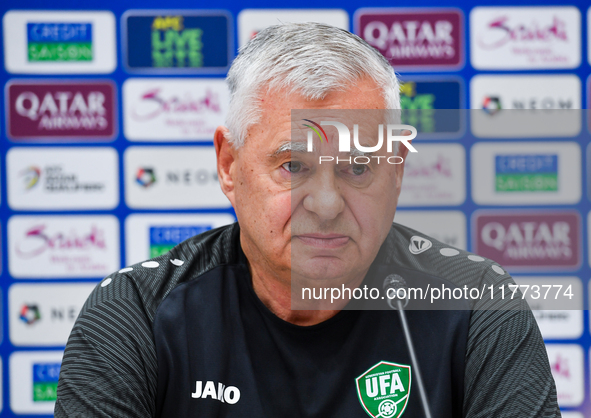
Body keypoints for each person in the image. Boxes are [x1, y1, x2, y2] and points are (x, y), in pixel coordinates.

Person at [55, 23, 559, 417]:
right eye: (293, 166)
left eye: (358, 167)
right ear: (229, 166)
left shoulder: (478, 309)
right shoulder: (136, 314)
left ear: (397, 173)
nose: (325, 203)